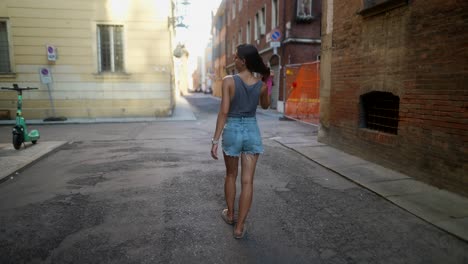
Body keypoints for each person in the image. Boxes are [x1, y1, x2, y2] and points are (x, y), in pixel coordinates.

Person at [210, 44, 271, 239]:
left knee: (231, 175)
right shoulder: (261, 85)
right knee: (248, 181)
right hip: (252, 131)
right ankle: (240, 227)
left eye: (235, 57)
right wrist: (267, 84)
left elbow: (224, 112)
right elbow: (266, 106)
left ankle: (230, 215)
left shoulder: (229, 81)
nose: (233, 60)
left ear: (243, 61)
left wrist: (215, 140)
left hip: (233, 131)